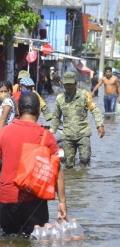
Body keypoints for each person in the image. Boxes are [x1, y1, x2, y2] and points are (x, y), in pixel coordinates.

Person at [0, 92, 66, 235]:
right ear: (38, 111)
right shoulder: (46, 136)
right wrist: (62, 203)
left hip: (6, 199)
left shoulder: (3, 133)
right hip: (34, 201)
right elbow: (58, 171)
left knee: (8, 240)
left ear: (18, 110)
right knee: (33, 240)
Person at [50, 72, 105, 168]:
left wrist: (99, 125)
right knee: (68, 164)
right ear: (63, 84)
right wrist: (51, 132)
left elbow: (94, 110)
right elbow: (56, 117)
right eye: (66, 85)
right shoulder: (60, 98)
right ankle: (72, 181)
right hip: (67, 135)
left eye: (71, 85)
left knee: (85, 159)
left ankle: (82, 181)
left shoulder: (85, 95)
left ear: (75, 83)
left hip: (83, 133)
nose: (68, 87)